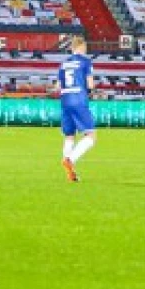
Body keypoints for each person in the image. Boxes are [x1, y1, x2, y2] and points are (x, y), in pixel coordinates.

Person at [57, 37, 97, 182]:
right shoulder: (85, 62)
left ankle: (70, 173)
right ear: (81, 46)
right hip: (79, 99)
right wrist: (91, 93)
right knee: (91, 136)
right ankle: (70, 160)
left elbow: (58, 86)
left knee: (69, 136)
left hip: (65, 100)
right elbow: (90, 84)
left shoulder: (64, 63)